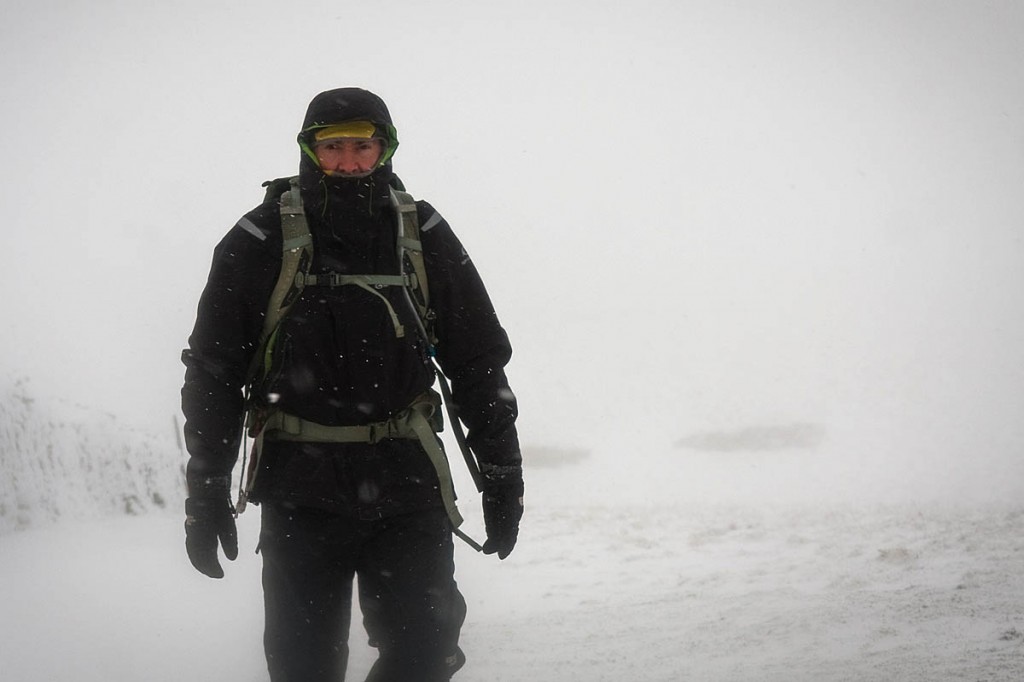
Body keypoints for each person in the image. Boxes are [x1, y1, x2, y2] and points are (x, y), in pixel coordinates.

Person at [180, 87, 523, 682]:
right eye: (332, 146)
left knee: (426, 655)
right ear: (309, 150)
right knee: (303, 668)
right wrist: (205, 489)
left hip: (408, 484)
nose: (347, 161)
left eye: (361, 146)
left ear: (385, 147)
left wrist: (502, 477)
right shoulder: (259, 238)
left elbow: (478, 364)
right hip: (299, 491)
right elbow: (213, 372)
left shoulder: (424, 233)